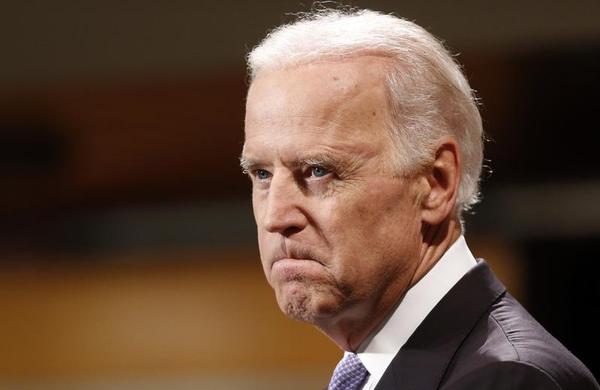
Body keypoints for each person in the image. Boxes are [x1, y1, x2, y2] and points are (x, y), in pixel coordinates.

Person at [239, 7, 599, 390]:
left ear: (435, 183)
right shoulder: (376, 372)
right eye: (261, 174)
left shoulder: (510, 380)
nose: (275, 217)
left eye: (317, 171)